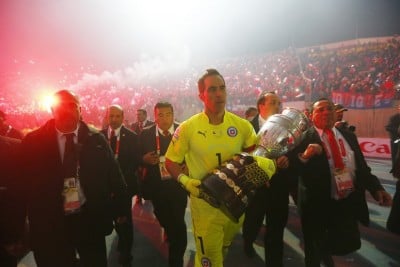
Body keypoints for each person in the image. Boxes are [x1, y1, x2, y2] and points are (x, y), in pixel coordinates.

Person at [165, 68, 277, 267]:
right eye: (212, 89)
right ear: (201, 95)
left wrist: (265, 168)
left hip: (236, 205)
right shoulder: (188, 128)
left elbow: (255, 155)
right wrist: (186, 181)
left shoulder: (242, 126)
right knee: (209, 259)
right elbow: (170, 160)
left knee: (223, 249)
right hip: (205, 206)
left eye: (222, 88)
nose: (219, 93)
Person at [20, 89, 129, 267]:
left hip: (89, 218)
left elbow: (115, 176)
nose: (66, 110)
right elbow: (21, 185)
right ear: (52, 110)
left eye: (71, 105)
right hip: (50, 222)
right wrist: (16, 228)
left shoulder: (97, 140)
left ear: (80, 110)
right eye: (60, 106)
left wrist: (121, 210)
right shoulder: (33, 142)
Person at [291, 98, 392, 267]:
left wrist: (376, 189)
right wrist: (305, 156)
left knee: (341, 243)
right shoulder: (302, 139)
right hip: (316, 205)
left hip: (345, 202)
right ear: (311, 115)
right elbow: (292, 171)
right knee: (313, 249)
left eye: (329, 108)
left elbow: (361, 168)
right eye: (320, 109)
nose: (326, 112)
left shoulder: (349, 136)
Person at [242, 91, 292, 266]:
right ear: (260, 106)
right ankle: (248, 243)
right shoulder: (246, 127)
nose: (278, 106)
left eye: (279, 103)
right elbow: (240, 156)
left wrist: (288, 160)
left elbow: (295, 151)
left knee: (276, 230)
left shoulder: (288, 128)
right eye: (273, 102)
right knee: (252, 224)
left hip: (279, 188)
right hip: (255, 189)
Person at [139, 102, 188, 267]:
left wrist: (189, 165)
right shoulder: (145, 134)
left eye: (168, 114)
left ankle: (176, 259)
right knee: (164, 218)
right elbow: (137, 155)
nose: (165, 119)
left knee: (178, 224)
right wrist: (143, 159)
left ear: (173, 115)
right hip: (157, 187)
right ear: (155, 116)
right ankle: (170, 231)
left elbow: (193, 153)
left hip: (178, 185)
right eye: (160, 115)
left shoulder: (184, 130)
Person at [101, 104, 140, 267]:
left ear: (123, 117)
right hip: (103, 189)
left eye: (118, 116)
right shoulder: (99, 136)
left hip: (123, 188)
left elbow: (134, 163)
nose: (114, 119)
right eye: (111, 116)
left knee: (124, 222)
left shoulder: (131, 136)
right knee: (105, 220)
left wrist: (120, 182)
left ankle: (126, 254)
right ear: (107, 117)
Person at [0, 136, 25, 267]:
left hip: (7, 235)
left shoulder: (14, 148)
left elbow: (18, 197)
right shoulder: (15, 146)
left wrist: (13, 237)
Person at [131, 108, 154, 205]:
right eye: (137, 114)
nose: (138, 116)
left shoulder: (152, 125)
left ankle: (151, 195)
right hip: (138, 155)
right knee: (138, 177)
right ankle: (139, 196)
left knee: (149, 176)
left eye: (140, 114)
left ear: (145, 115)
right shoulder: (134, 125)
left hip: (149, 155)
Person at [385, 107, 400, 174]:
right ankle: (395, 170)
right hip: (396, 140)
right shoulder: (395, 117)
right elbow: (388, 127)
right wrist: (397, 130)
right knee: (395, 155)